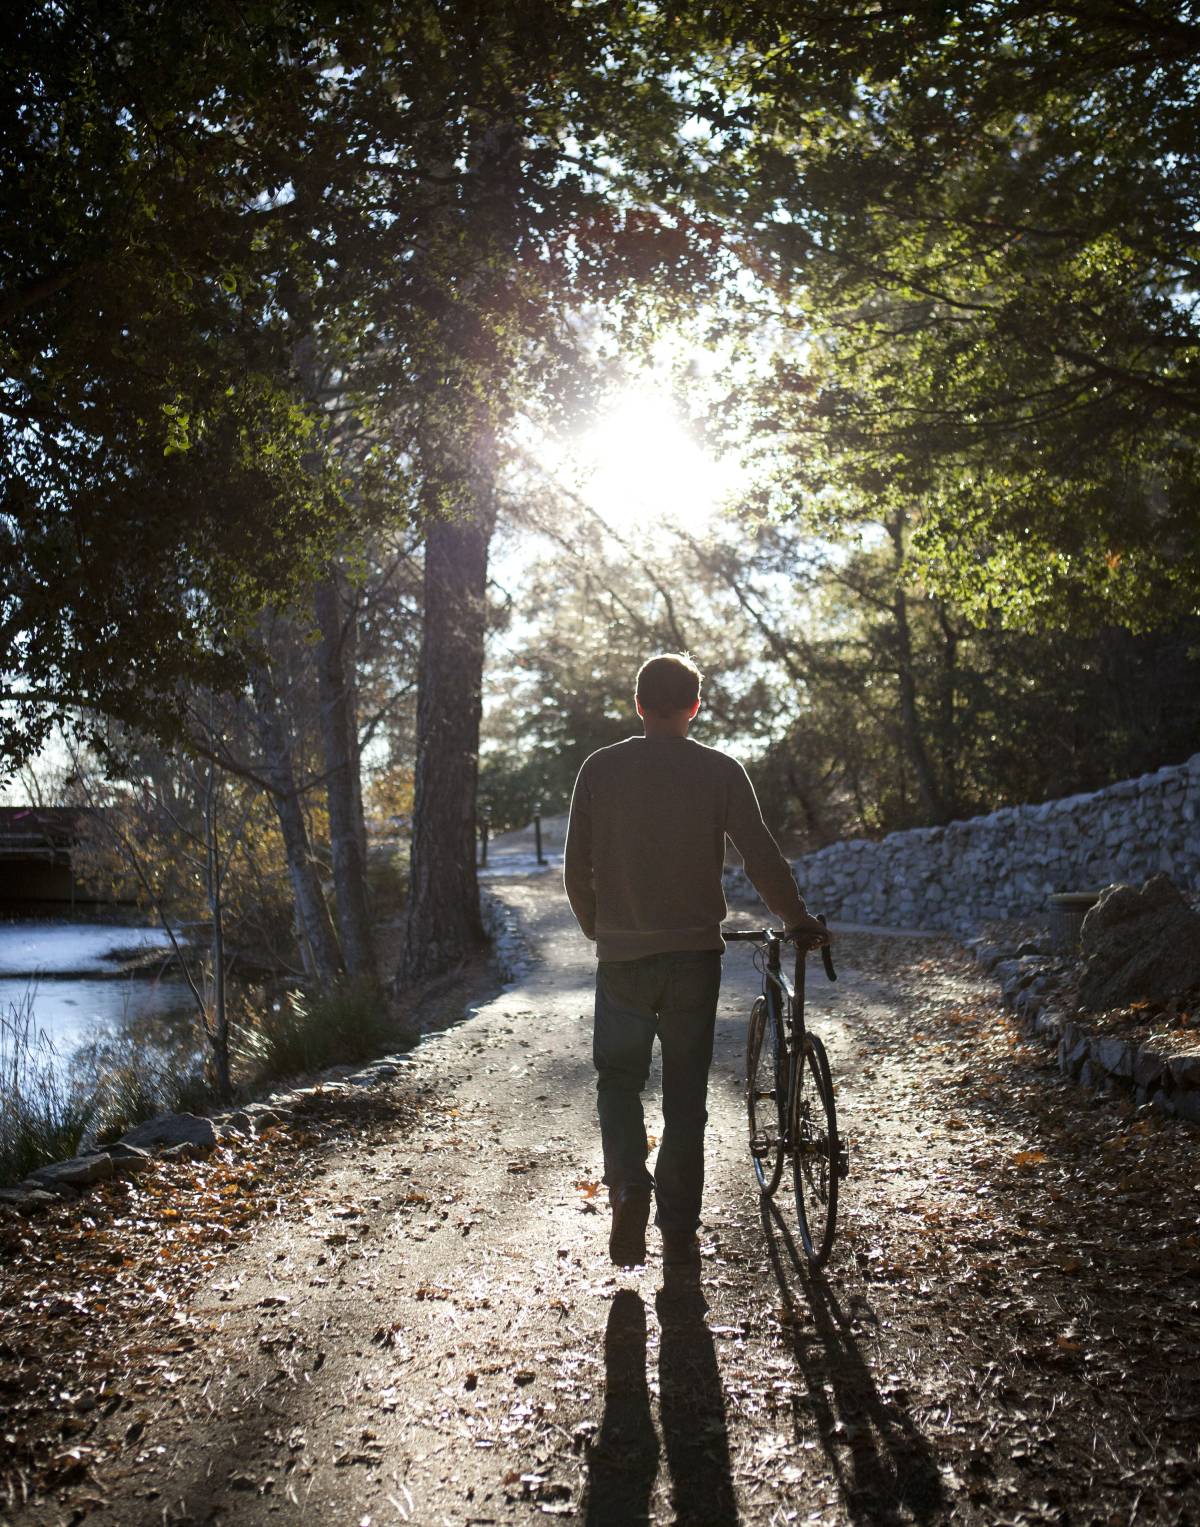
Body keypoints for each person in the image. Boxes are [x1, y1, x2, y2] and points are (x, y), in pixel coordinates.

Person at [563, 652, 831, 1269]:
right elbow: (761, 857)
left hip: (624, 958)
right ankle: (678, 1228)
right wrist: (797, 920)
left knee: (619, 1081)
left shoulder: (599, 769)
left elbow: (577, 869)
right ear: (695, 707)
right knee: (686, 1097)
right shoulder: (720, 771)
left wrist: (601, 928)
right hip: (693, 960)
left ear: (637, 705)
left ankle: (629, 1185)